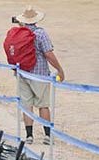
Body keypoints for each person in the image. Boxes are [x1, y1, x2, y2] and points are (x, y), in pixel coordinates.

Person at [13, 6, 64, 145]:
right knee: (43, 105)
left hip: (23, 73)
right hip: (40, 74)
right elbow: (48, 54)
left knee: (27, 105)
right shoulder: (41, 33)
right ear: (36, 19)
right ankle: (47, 136)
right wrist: (60, 69)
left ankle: (29, 136)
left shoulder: (18, 33)